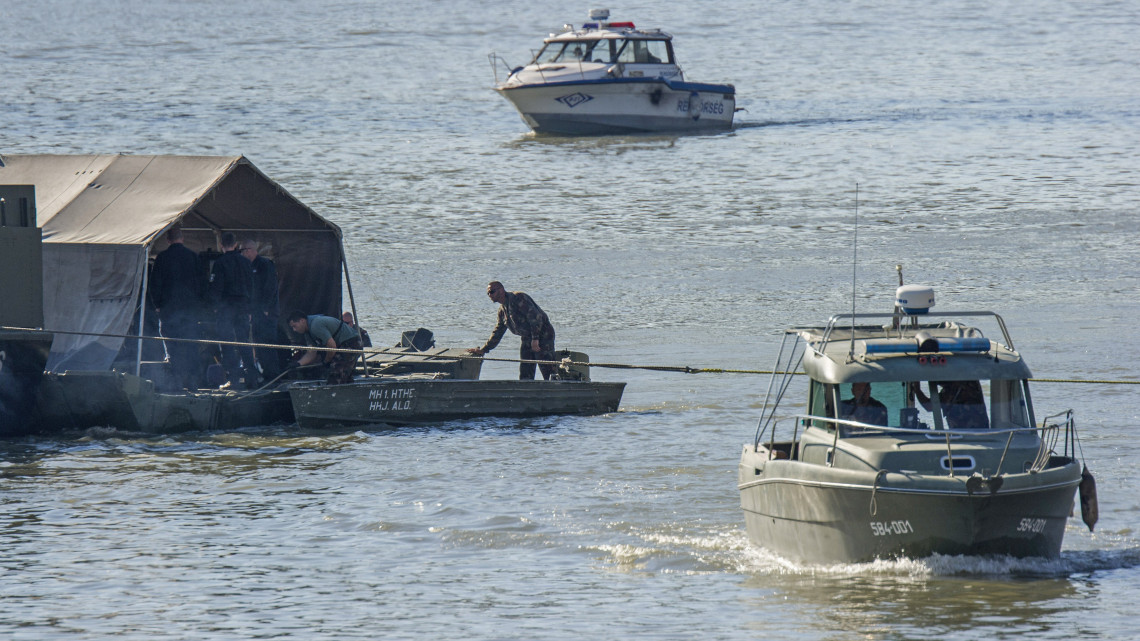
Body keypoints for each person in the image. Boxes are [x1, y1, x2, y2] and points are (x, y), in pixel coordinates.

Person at [149, 225, 204, 389]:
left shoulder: (162, 258)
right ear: (183, 238)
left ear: (168, 240)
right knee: (191, 345)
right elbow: (202, 284)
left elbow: (155, 284)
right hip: (190, 310)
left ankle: (177, 382)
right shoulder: (193, 257)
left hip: (169, 309)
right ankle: (193, 382)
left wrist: (157, 304)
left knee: (173, 346)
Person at [467, 281, 557, 380]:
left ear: (501, 290)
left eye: (492, 292)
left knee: (547, 368)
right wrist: (483, 350)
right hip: (527, 337)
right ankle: (526, 391)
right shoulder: (502, 311)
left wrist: (535, 339)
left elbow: (536, 318)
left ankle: (556, 389)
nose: (490, 295)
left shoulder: (518, 298)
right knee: (525, 369)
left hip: (543, 335)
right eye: (488, 293)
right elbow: (498, 332)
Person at [209, 232, 256, 388]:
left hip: (226, 308)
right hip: (243, 307)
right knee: (244, 342)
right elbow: (251, 286)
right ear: (236, 245)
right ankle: (252, 378)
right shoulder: (246, 262)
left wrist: (215, 307)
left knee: (227, 343)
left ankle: (233, 379)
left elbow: (216, 288)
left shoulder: (220, 263)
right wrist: (249, 309)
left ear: (221, 245)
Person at [241, 239, 282, 380]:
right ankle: (264, 373)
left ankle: (273, 375)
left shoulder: (265, 264)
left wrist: (265, 308)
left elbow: (270, 287)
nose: (242, 254)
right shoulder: (246, 266)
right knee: (258, 344)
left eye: (242, 251)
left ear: (249, 250)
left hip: (267, 313)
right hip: (255, 313)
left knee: (267, 344)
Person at [287, 311, 362, 384]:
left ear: (302, 321)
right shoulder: (308, 333)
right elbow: (312, 352)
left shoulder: (315, 325)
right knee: (344, 375)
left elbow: (332, 346)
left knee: (335, 373)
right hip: (344, 343)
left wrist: (326, 361)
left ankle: (333, 391)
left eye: (294, 326)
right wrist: (298, 363)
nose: (294, 330)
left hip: (351, 342)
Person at [912, 380, 990, 429]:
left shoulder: (952, 390)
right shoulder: (973, 382)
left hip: (963, 435)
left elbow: (929, 406)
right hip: (983, 432)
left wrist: (917, 389)